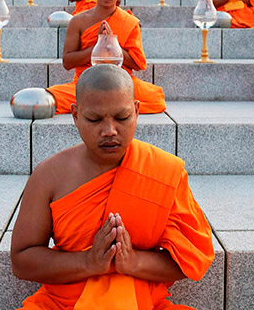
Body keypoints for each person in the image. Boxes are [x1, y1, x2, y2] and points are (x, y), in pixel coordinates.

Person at [13, 64, 214, 309]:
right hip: (62, 303)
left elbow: (190, 259)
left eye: (122, 117)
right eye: (94, 119)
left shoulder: (163, 172)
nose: (109, 131)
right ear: (75, 116)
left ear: (137, 111)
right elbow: (22, 260)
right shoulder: (49, 175)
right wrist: (89, 262)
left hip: (144, 303)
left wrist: (132, 262)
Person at [48, 0, 166, 114]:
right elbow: (67, 62)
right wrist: (98, 46)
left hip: (121, 83)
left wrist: (111, 45)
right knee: (50, 99)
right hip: (87, 82)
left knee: (155, 98)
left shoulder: (129, 22)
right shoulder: (78, 21)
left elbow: (137, 64)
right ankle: (115, 105)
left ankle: (99, 105)